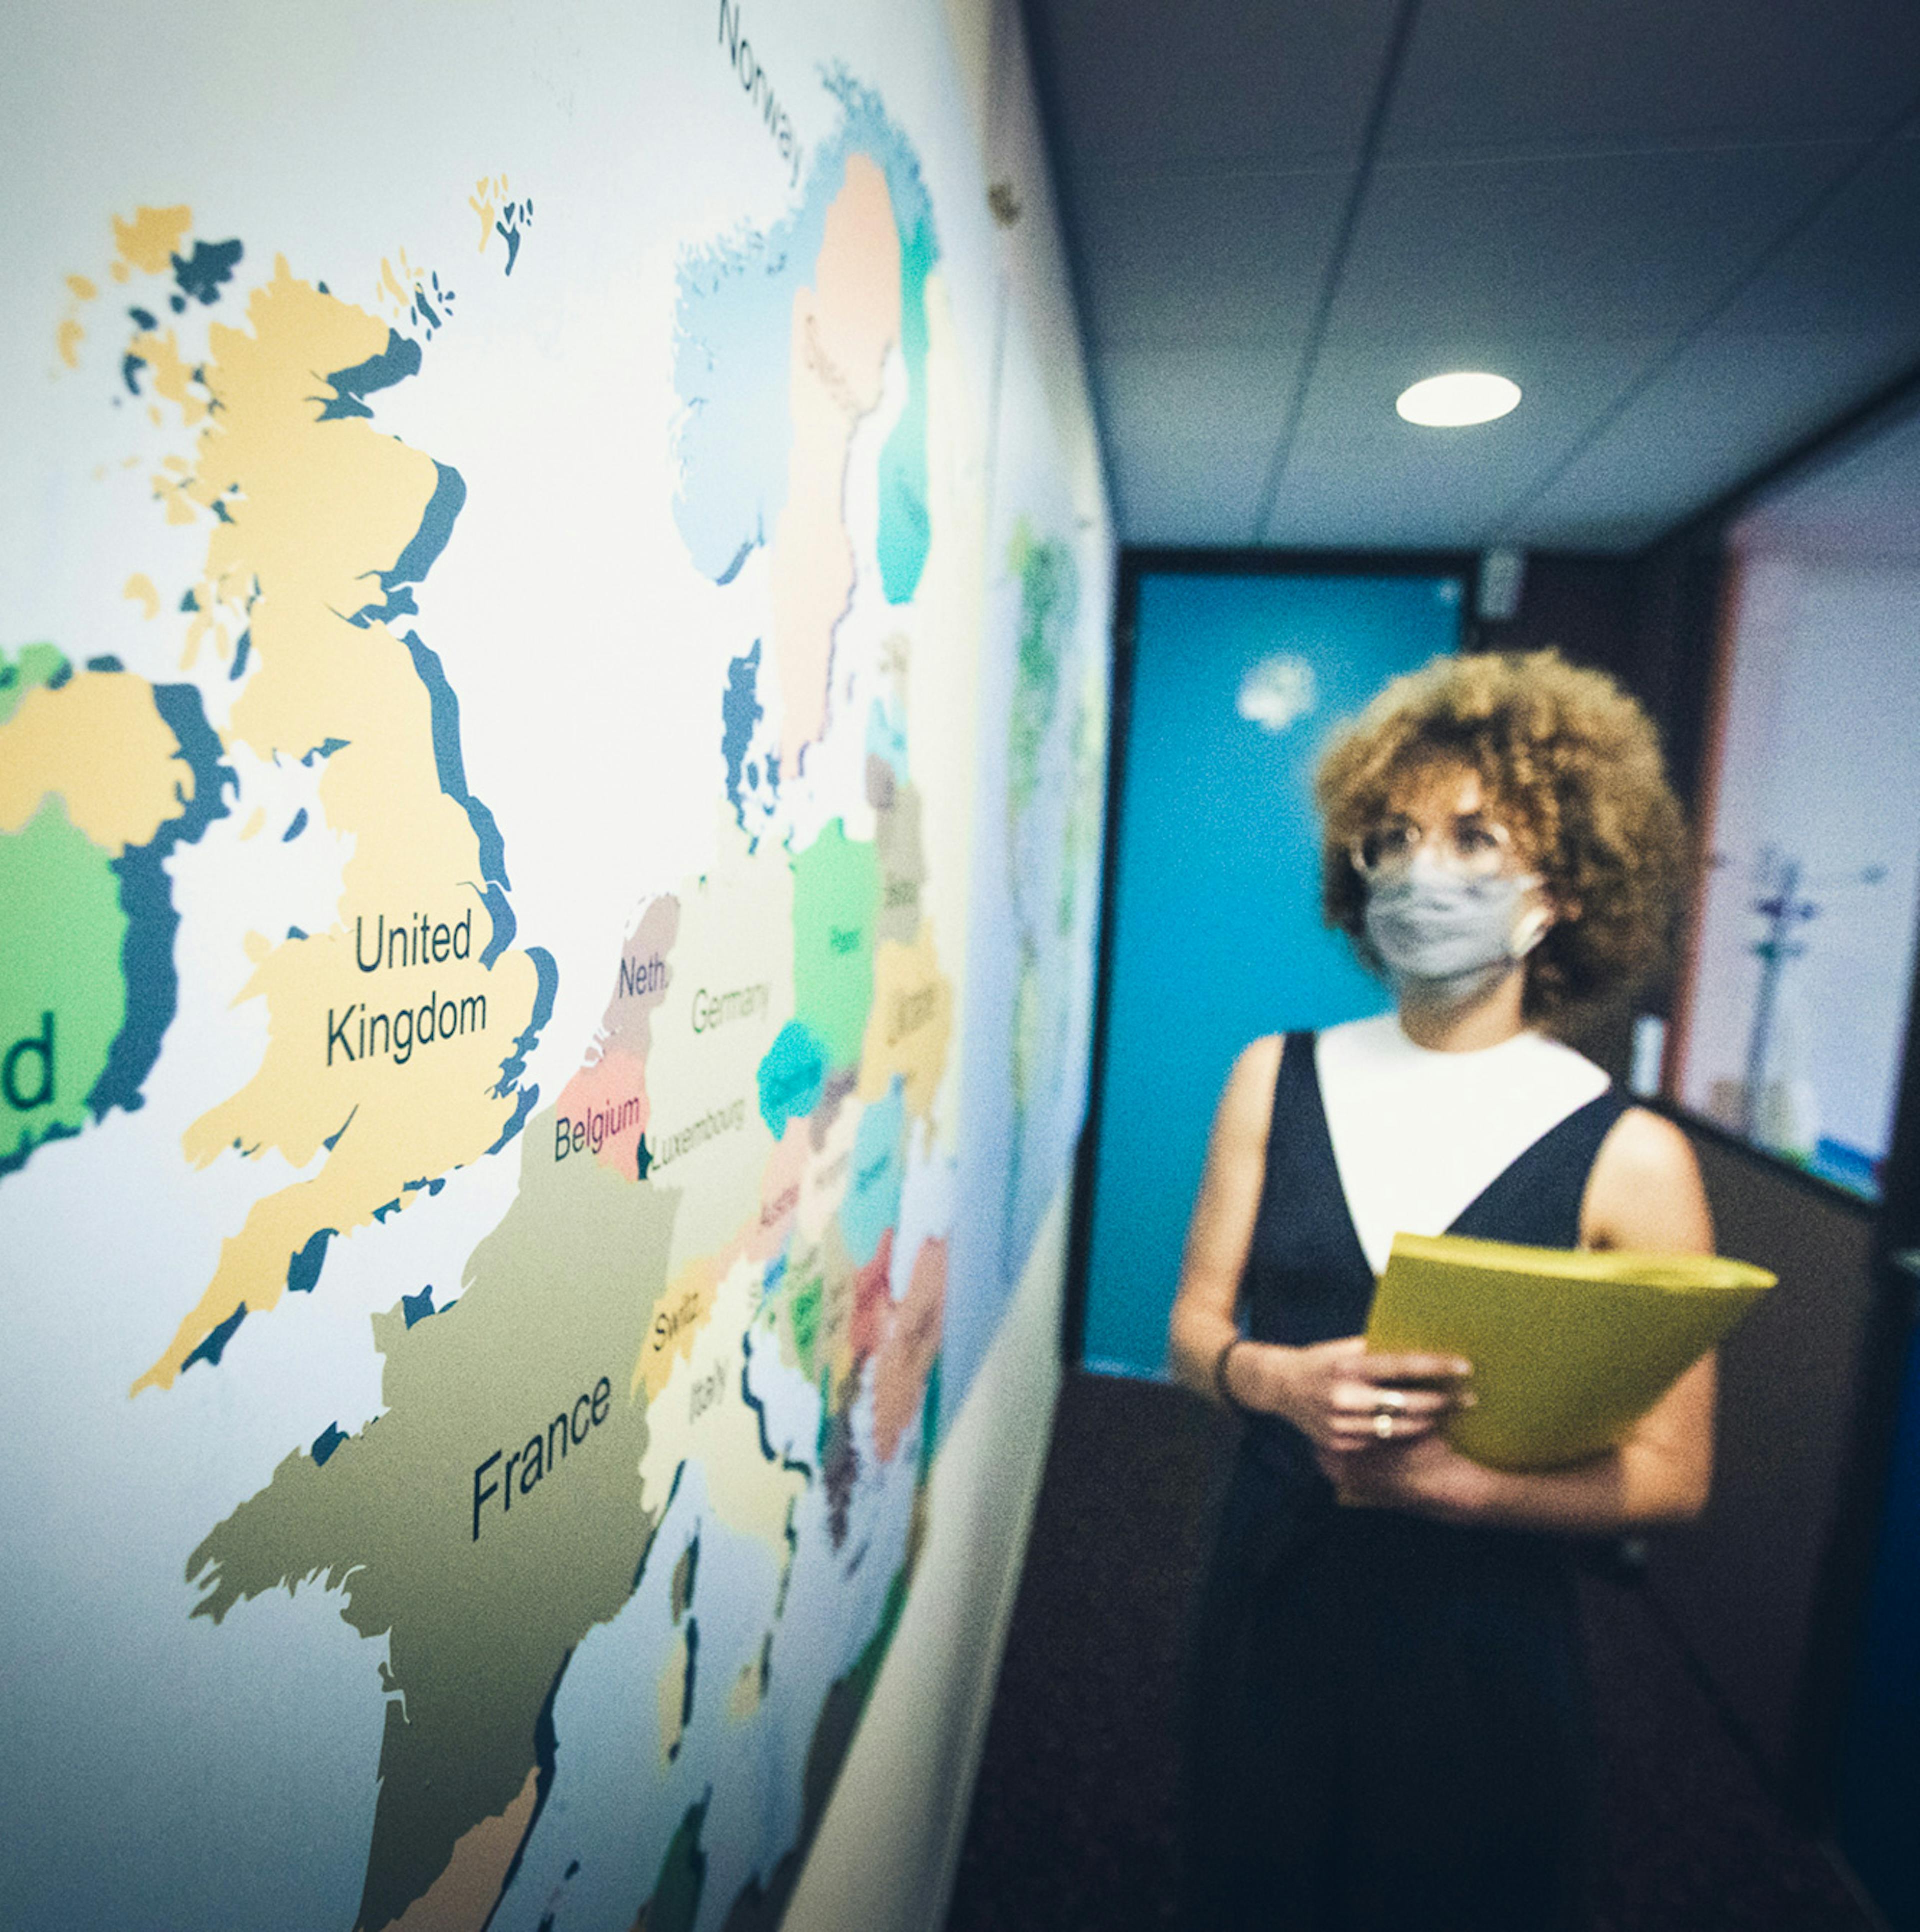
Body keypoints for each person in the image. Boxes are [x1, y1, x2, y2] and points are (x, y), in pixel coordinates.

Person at [1169, 649, 1714, 1932]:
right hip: (1273, 1583)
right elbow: (1194, 1332)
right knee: (1249, 1880)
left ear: (1566, 885)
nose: (1426, 870)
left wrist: (1464, 1489)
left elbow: (1676, 1475)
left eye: (1477, 835)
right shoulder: (1273, 1076)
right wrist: (1271, 1379)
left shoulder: (1633, 1157)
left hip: (1480, 1634)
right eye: (1395, 835)